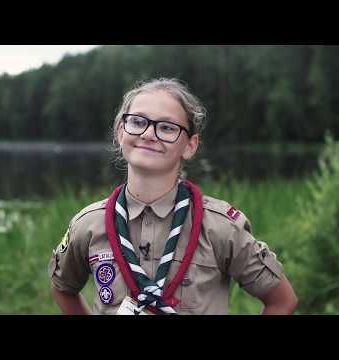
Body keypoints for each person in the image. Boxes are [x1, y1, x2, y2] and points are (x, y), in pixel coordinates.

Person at [48, 78, 298, 315]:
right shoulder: (89, 224)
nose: (148, 134)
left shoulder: (221, 227)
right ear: (119, 132)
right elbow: (63, 288)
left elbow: (281, 300)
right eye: (137, 121)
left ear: (190, 145)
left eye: (167, 127)